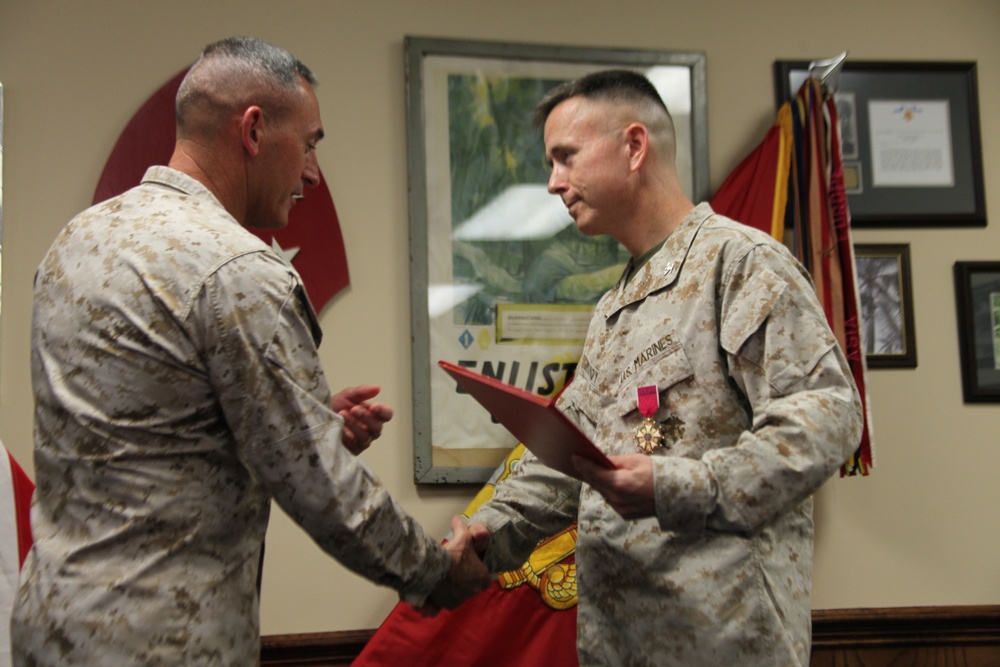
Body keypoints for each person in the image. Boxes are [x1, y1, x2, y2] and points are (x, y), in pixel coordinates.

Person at [12, 36, 489, 666]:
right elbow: (321, 488)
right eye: (312, 142)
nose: (313, 171)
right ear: (255, 130)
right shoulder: (235, 267)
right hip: (163, 644)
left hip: (51, 627)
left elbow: (144, 428)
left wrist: (303, 419)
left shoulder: (76, 241)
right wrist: (436, 572)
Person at [467, 70, 864, 666]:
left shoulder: (742, 264)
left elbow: (828, 417)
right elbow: (570, 453)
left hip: (724, 644)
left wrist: (677, 487)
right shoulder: (615, 309)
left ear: (633, 146)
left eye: (565, 157)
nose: (553, 183)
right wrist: (485, 539)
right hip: (620, 645)